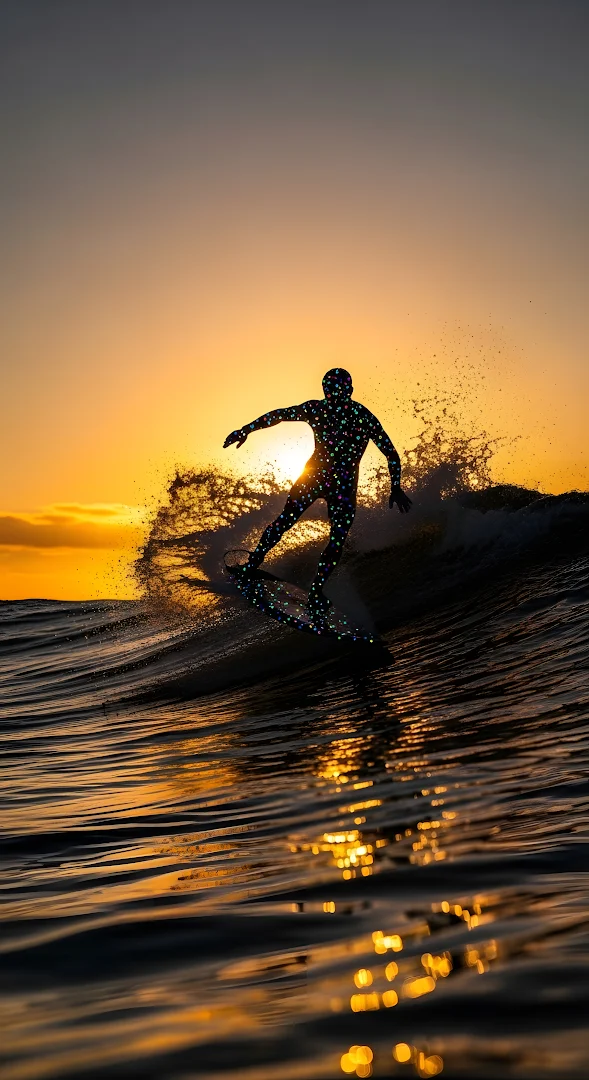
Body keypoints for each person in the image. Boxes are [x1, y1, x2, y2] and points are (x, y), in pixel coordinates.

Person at [223, 368, 411, 611]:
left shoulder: (321, 409)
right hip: (334, 483)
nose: (333, 396)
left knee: (303, 527)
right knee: (328, 535)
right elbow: (391, 454)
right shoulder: (358, 414)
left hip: (317, 478)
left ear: (347, 391)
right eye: (331, 391)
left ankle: (259, 568)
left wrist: (246, 429)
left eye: (336, 391)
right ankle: (310, 589)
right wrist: (395, 486)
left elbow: (279, 415)